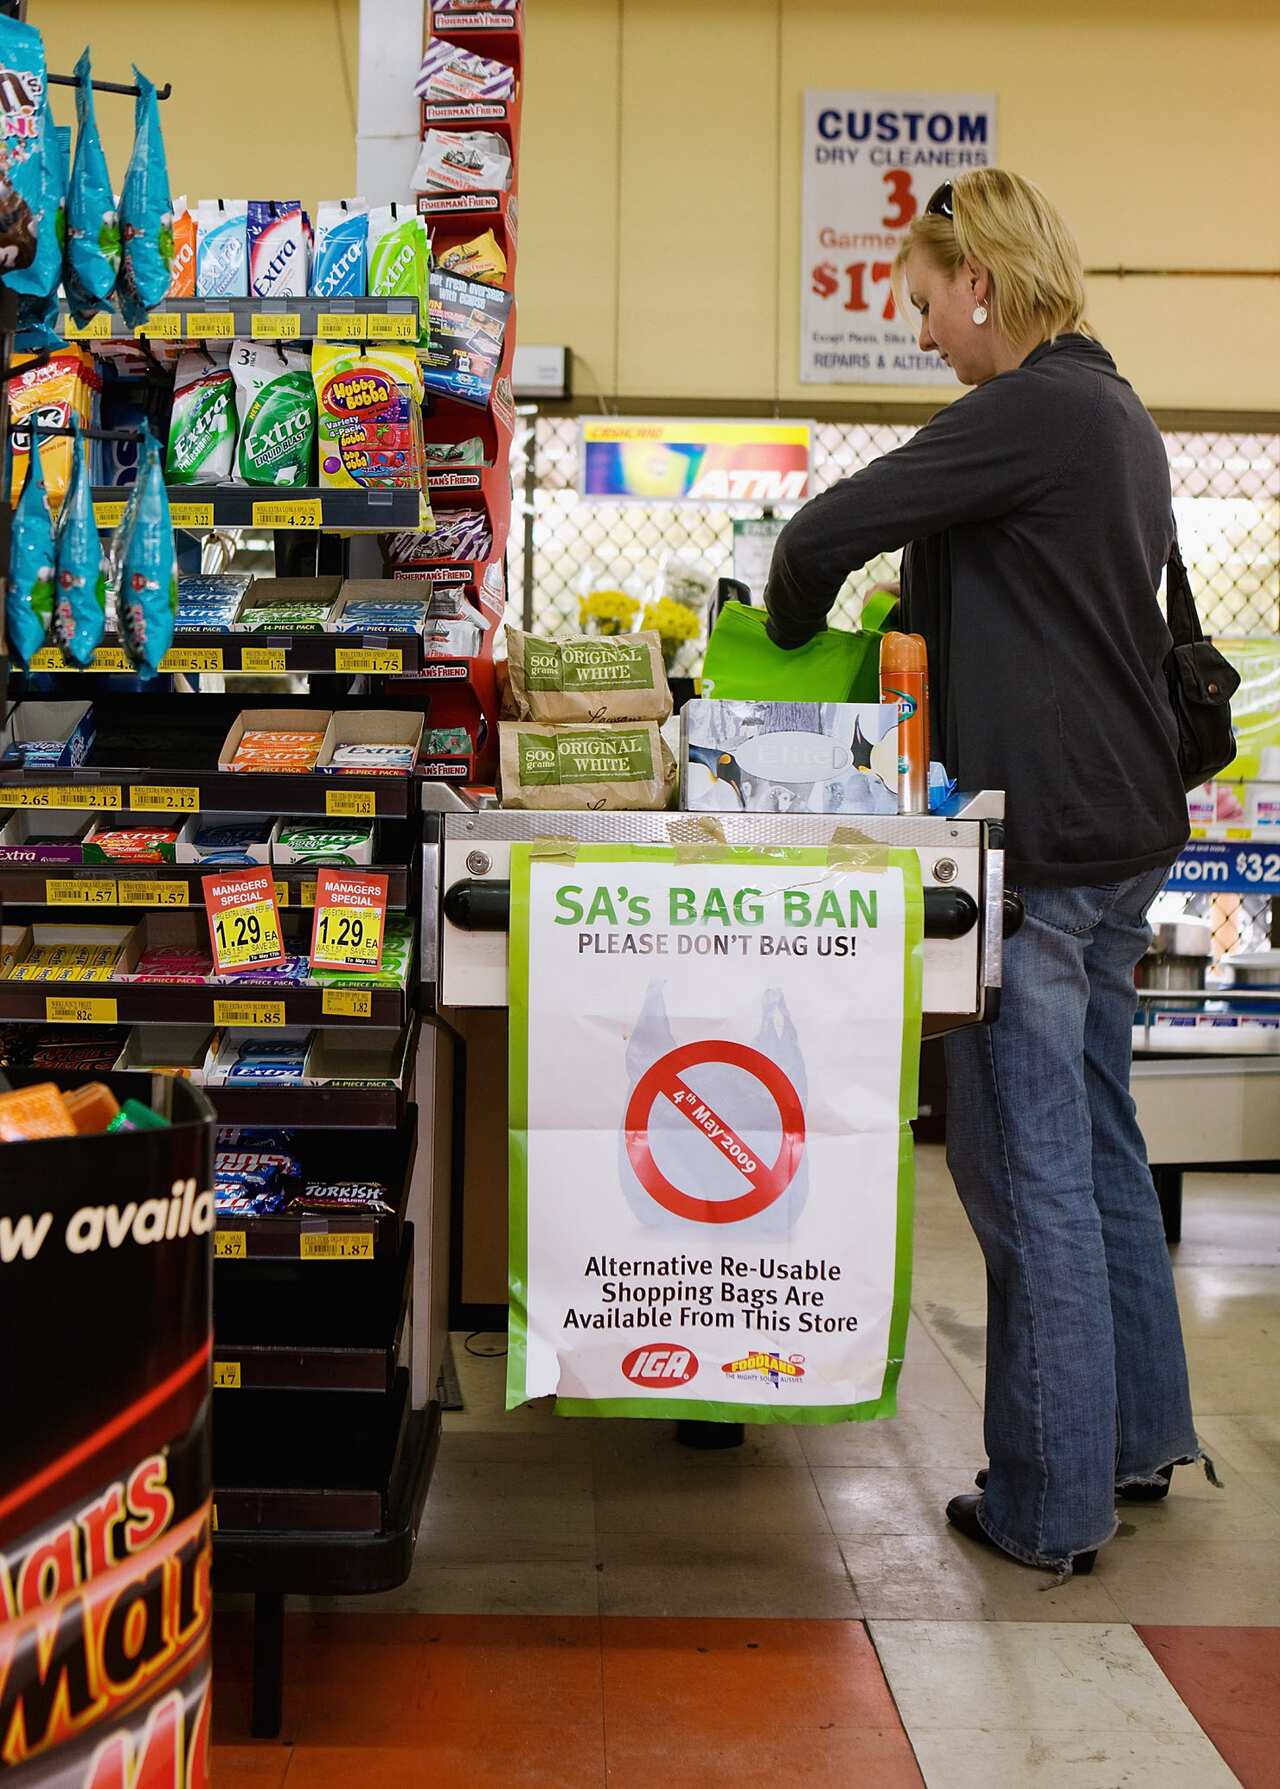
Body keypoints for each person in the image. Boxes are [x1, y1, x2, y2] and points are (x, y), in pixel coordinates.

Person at [763, 167, 1212, 1579]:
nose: (920, 335)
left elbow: (822, 529)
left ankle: (1047, 1499)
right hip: (1125, 830)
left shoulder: (1025, 409)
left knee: (1027, 1172)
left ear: (984, 285)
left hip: (1054, 850)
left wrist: (783, 632)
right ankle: (1133, 1437)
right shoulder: (1113, 407)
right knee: (1098, 1140)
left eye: (924, 304)